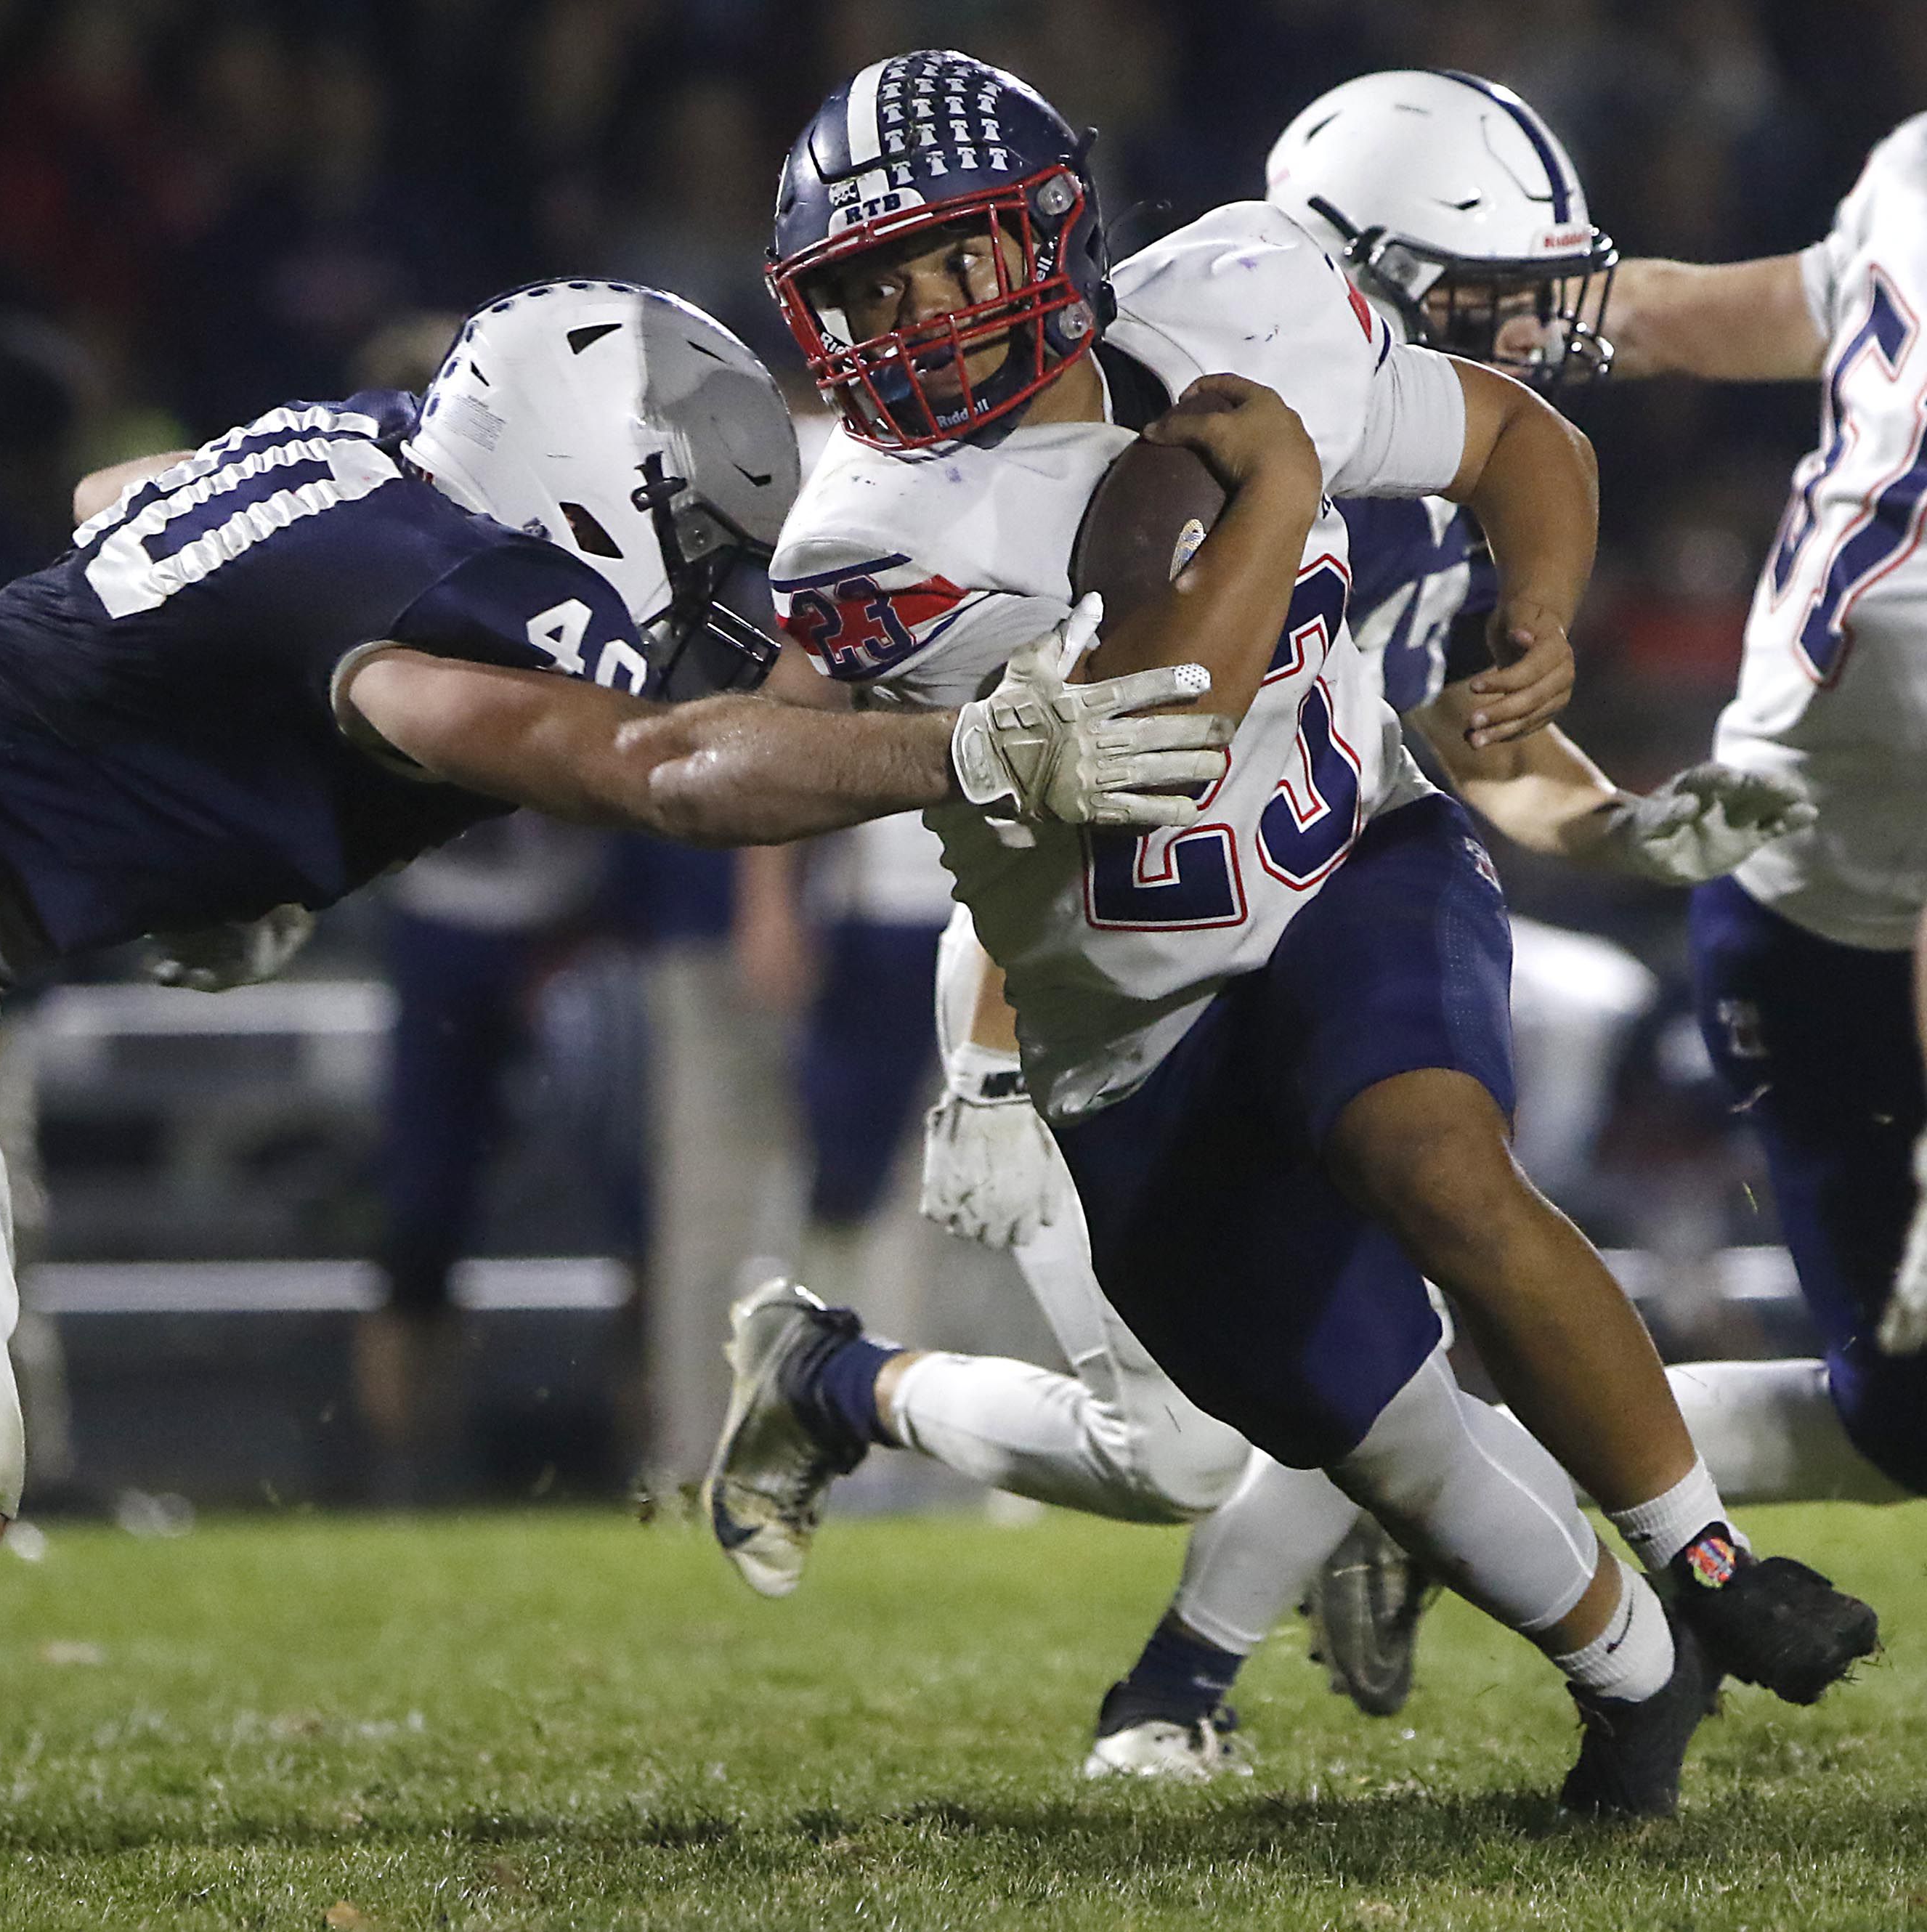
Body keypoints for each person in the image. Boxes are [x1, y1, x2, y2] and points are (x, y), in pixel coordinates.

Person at [0, 277, 1231, 1893]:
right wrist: (971, 750)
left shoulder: (358, 447)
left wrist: (206, 805)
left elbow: (125, 503)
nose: (706, 598)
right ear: (610, 478)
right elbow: (650, 764)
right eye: (698, 547)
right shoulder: (442, 569)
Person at [704, 51, 1875, 1821]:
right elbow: (1155, 733)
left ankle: (1701, 1564)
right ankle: (1631, 1677)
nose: (915, 317)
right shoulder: (872, 531)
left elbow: (1514, 440)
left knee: (1434, 1157)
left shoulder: (1250, 308)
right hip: (1119, 1018)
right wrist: (1271, 483)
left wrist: (1543, 632)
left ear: (1049, 234)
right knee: (1340, 1433)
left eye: (949, 259)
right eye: (870, 283)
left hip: (1354, 871)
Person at [1598, 117, 1927, 1494]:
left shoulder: (1911, 162)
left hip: (1829, 858)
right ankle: (1444, 1470)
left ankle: (1454, 1468)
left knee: (1906, 1426)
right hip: (1833, 924)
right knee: (1903, 1422)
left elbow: (1740, 310)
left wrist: (1535, 297)